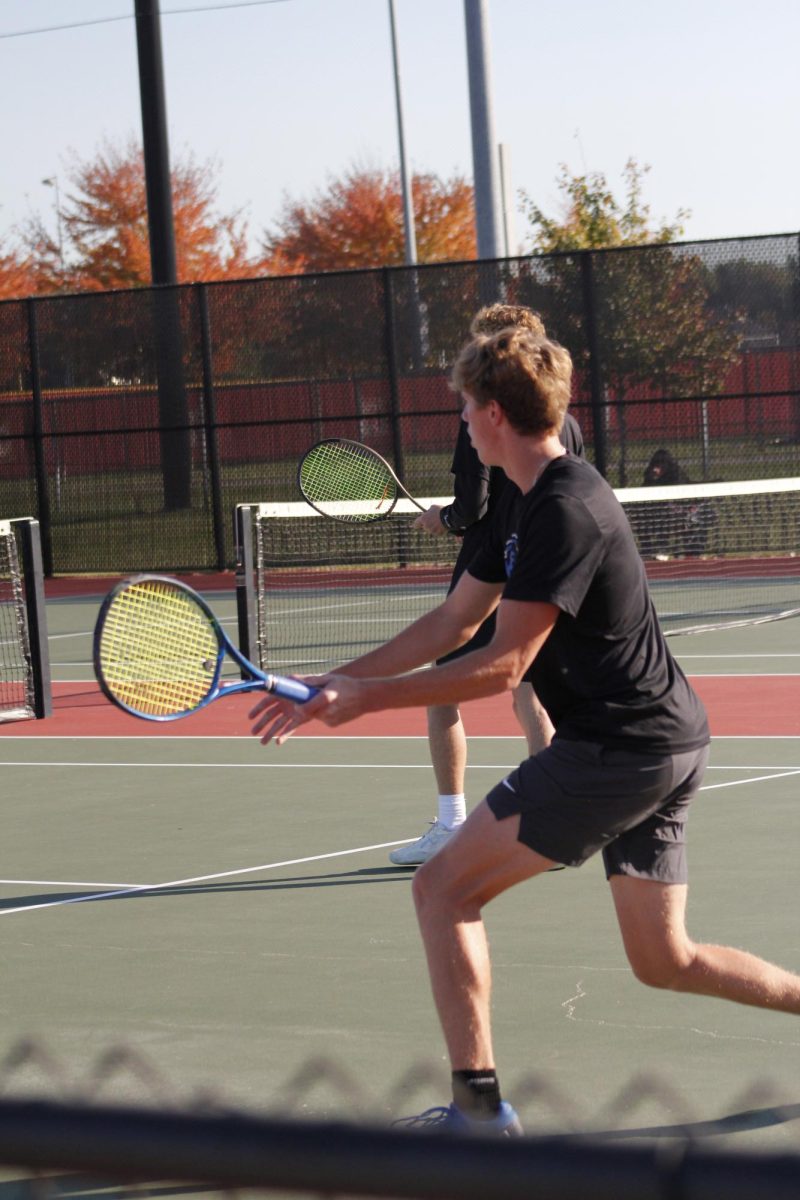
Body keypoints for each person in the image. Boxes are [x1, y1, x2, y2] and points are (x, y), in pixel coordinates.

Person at [249, 328, 800, 1137]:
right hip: (663, 740)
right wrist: (342, 677)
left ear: (496, 413)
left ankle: (478, 1114)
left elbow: (502, 668)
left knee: (442, 890)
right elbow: (451, 618)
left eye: (467, 410)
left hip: (620, 747)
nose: (462, 426)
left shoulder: (565, 510)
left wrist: (366, 701)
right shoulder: (524, 502)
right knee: (665, 961)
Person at [390, 303, 585, 867]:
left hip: (496, 564)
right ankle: (552, 823)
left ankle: (451, 823)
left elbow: (473, 506)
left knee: (442, 689)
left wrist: (445, 519)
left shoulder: (481, 414)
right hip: (535, 562)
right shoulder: (564, 421)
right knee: (532, 689)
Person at [638, 448, 717, 559]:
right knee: (645, 519)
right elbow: (644, 491)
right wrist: (653, 478)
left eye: (660, 464)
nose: (657, 467)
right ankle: (651, 548)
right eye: (656, 464)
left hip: (681, 511)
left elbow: (685, 497)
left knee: (699, 519)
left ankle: (691, 551)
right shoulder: (649, 475)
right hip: (658, 512)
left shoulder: (677, 475)